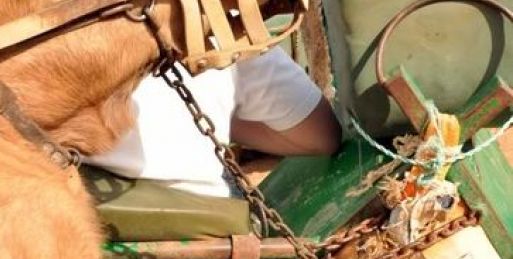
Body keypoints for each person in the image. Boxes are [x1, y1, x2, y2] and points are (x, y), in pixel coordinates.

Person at [90, 45, 341, 198]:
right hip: (206, 249)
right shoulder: (227, 18)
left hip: (73, 232)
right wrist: (217, 117)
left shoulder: (57, 17)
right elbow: (321, 136)